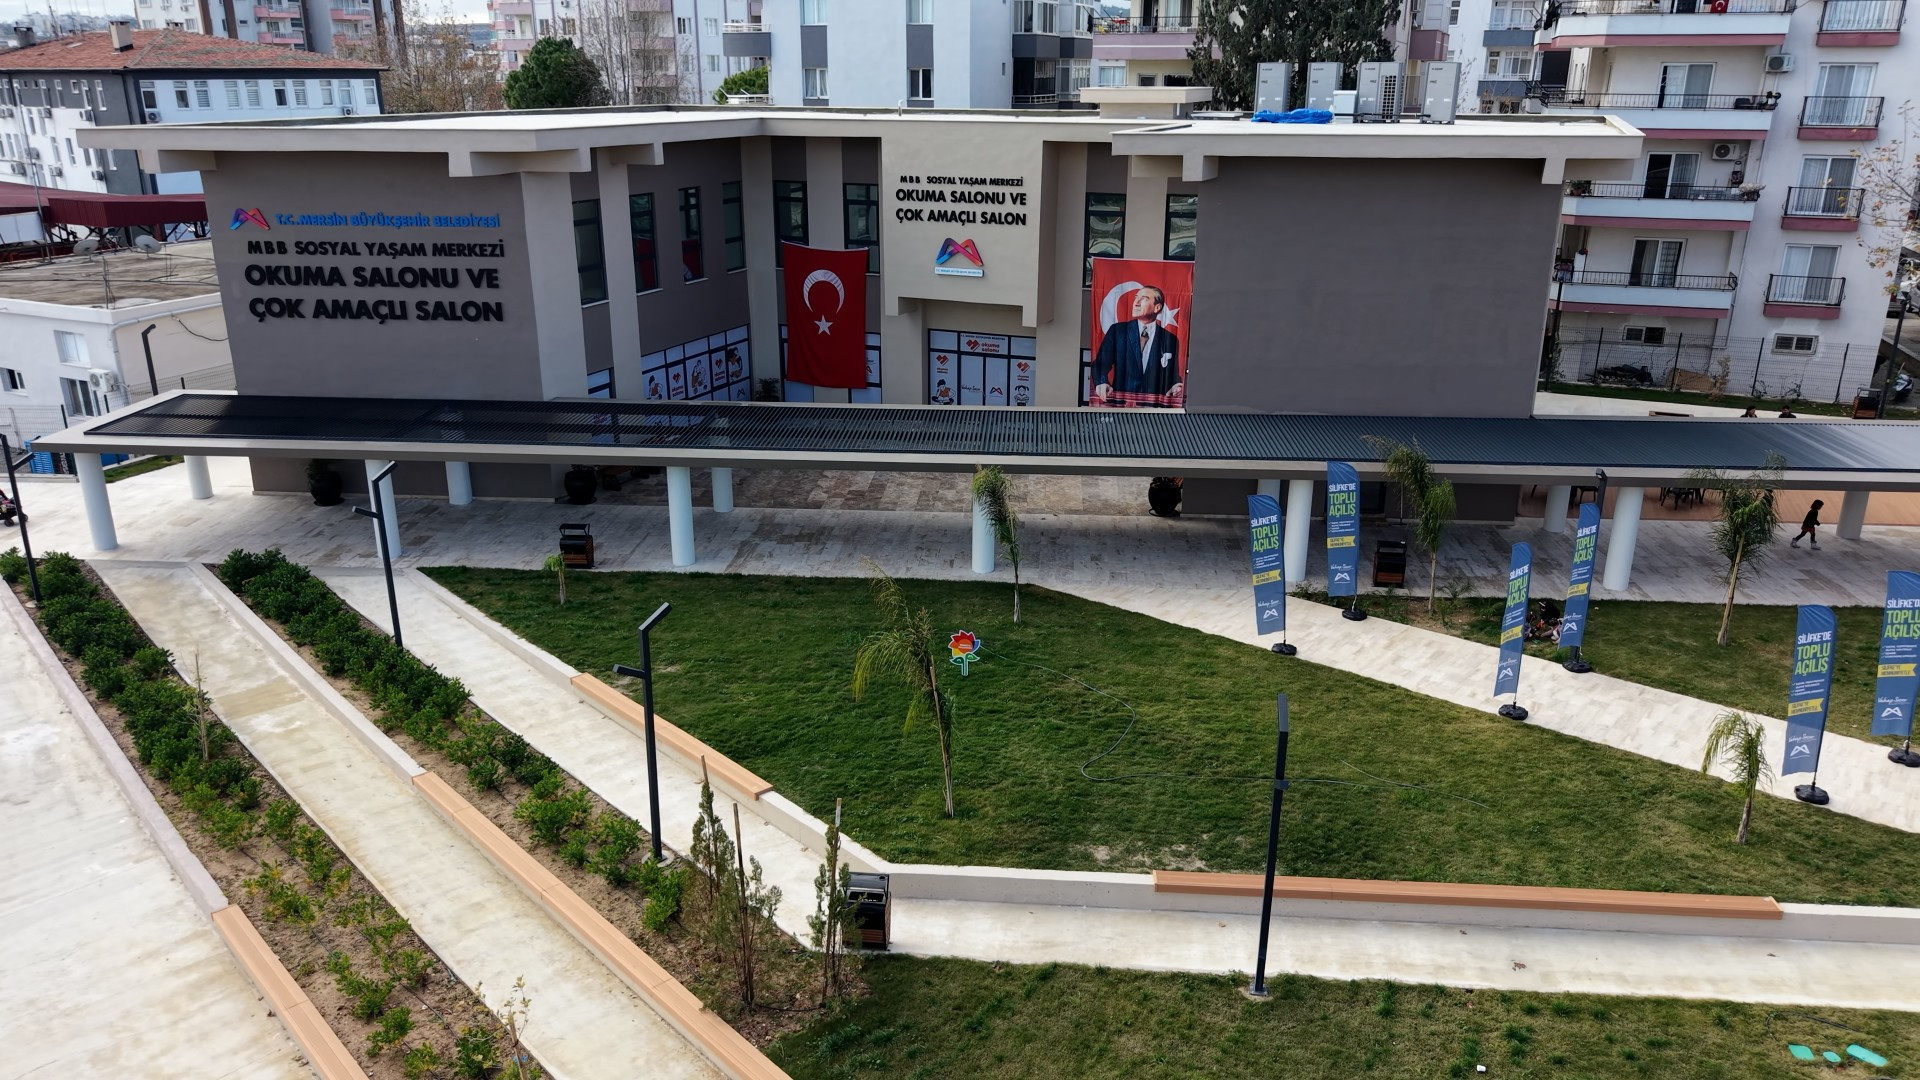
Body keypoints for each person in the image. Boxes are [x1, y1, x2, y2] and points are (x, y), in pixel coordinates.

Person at [1092, 285, 1183, 407]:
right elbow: (1100, 364)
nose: (1136, 303)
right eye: (1136, 298)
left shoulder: (1170, 339)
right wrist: (1101, 382)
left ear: (1157, 307)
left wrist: (1176, 385)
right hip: (1122, 406)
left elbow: (1172, 374)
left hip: (1153, 408)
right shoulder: (1118, 331)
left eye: (1144, 299)